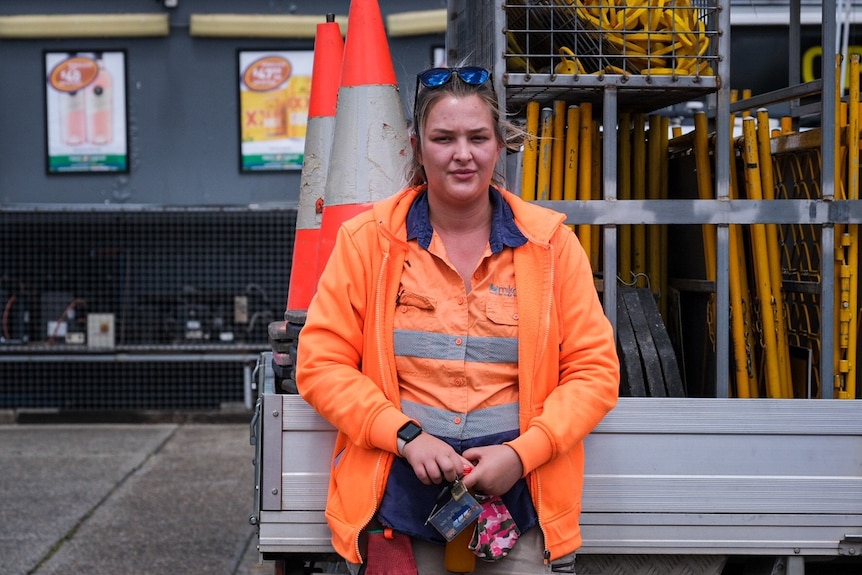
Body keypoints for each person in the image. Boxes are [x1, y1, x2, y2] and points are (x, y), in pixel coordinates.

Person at [295, 65, 620, 574]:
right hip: (398, 500)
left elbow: (594, 372)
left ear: (501, 143)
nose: (462, 154)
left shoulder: (551, 245)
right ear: (417, 147)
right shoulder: (368, 242)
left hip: (519, 502)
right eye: (443, 138)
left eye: (478, 137)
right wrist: (405, 436)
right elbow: (321, 365)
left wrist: (521, 454)